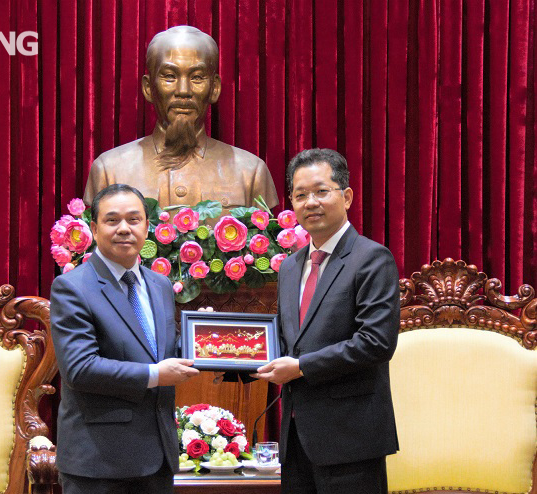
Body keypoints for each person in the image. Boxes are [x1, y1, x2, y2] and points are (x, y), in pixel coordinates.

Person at [253, 148, 400, 493]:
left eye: (321, 191)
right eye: (300, 195)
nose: (310, 202)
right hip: (296, 437)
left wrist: (301, 366)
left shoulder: (371, 259)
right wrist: (236, 358)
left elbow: (376, 343)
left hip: (351, 438)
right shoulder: (290, 266)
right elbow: (287, 341)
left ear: (346, 196)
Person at [50, 183, 200, 494]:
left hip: (157, 458)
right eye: (111, 220)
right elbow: (80, 369)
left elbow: (161, 350)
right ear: (93, 227)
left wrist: (206, 339)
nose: (124, 229)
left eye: (133, 220)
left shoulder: (158, 285)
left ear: (147, 226)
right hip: (99, 462)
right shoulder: (72, 287)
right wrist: (156, 375)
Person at [83, 25, 278, 212]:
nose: (183, 91)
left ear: (215, 88)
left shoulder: (250, 172)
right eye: (169, 76)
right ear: (148, 88)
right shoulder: (109, 170)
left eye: (197, 77)